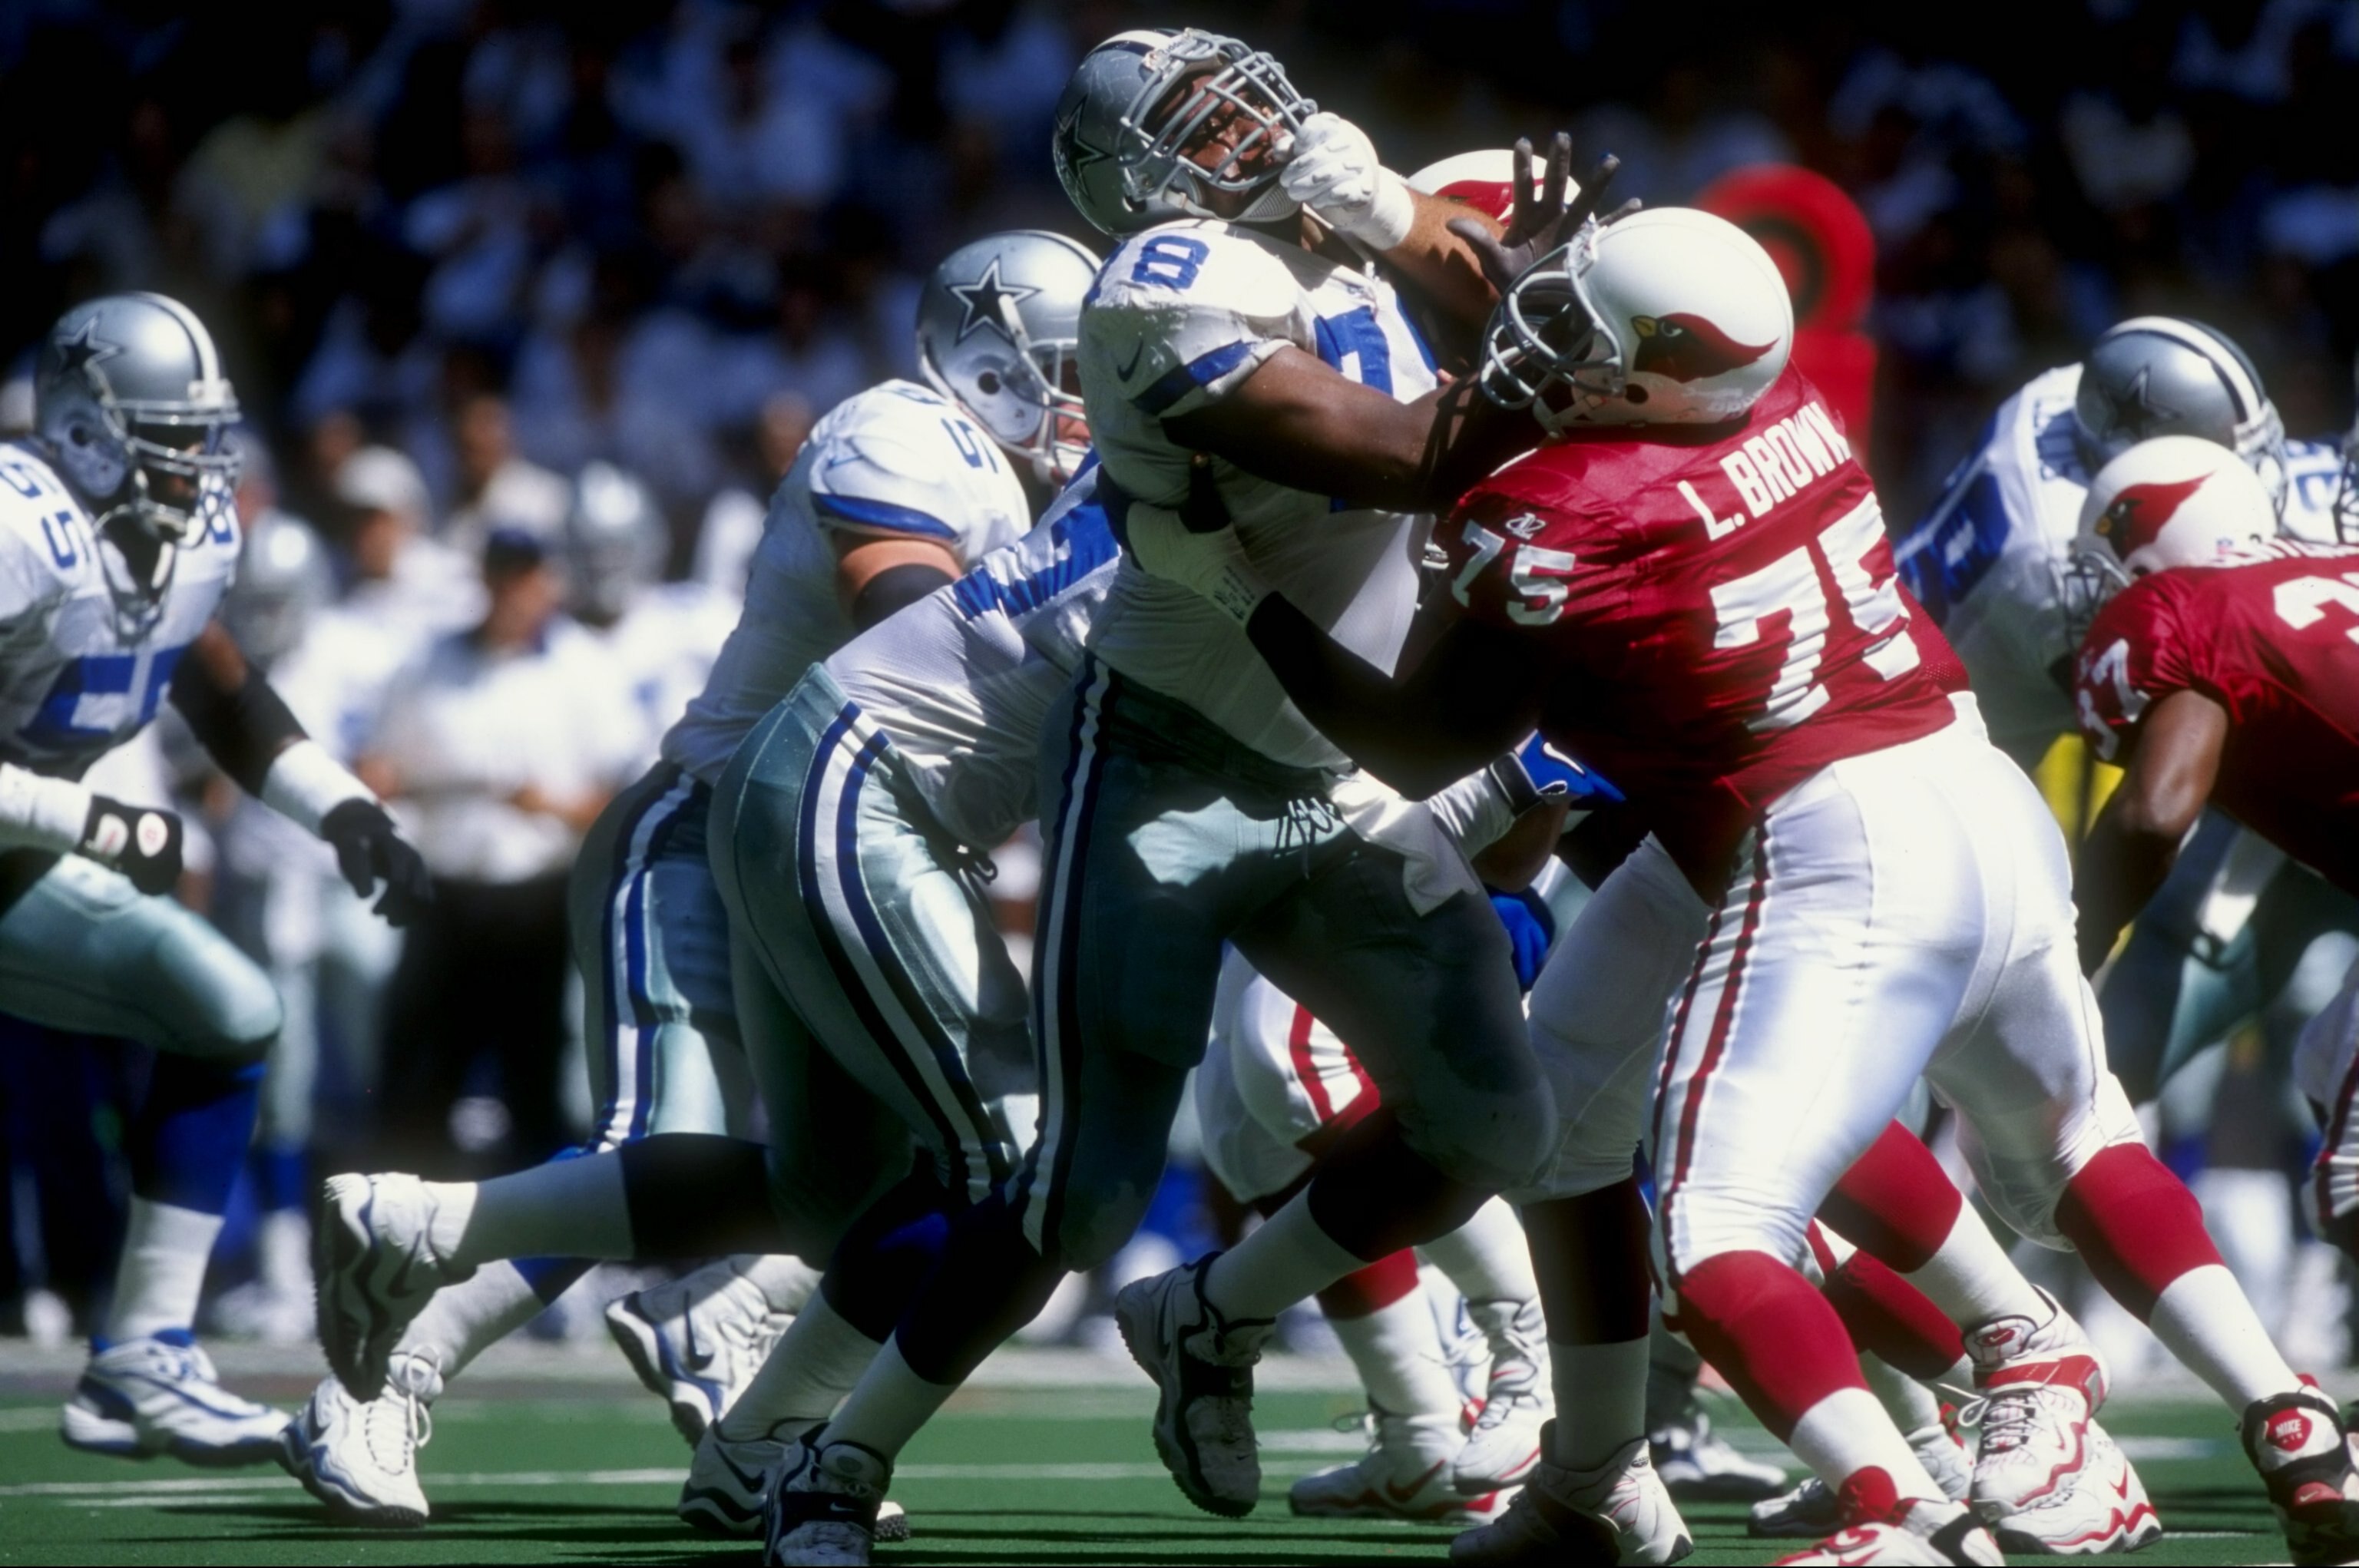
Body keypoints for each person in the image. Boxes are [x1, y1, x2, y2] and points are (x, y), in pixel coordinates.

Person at [1123, 199, 2358, 1564]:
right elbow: (1610, 414)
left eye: (1588, 330)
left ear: (1655, 374)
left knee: (1715, 1229)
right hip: (1938, 782)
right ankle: (1594, 1478)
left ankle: (1928, 1482)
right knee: (1589, 1122)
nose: (1549, 339)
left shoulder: (1550, 515)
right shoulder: (1789, 414)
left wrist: (1231, 592)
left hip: (1817, 833)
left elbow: (1422, 736)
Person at [754, 32, 1585, 1566]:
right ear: (1138, 173)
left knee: (1494, 1118)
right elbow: (1419, 452)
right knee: (1080, 1189)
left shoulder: (1338, 223)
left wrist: (1424, 231)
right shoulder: (1156, 289)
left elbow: (1526, 326)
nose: (1255, 124)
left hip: (1332, 771)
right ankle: (832, 1457)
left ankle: (1211, 1314)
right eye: (1201, 120)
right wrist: (1447, 250)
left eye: (1245, 90)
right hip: (1163, 771)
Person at [284, 230, 1097, 1530]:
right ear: (984, 360)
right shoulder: (901, 434)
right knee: (661, 1141)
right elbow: (915, 623)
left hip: (868, 859)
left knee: (854, 1197)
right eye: (1064, 366)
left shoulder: (1069, 492)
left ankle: (737, 1380)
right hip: (716, 830)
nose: (1084, 396)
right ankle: (392, 1344)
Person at [0, 293, 428, 1464]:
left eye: (203, 433)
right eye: (170, 434)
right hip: (28, 840)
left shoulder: (173, 537)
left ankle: (141, 1352)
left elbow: (225, 694)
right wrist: (83, 814)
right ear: (88, 429)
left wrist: (342, 809)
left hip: (14, 863)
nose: (199, 463)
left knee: (231, 1008)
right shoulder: (16, 521)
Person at [2064, 438, 2359, 1317]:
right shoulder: (2333, 565)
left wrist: (2064, 947)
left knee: (2349, 1179)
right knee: (2319, 1056)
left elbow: (2153, 815)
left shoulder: (2187, 606)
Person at [358, 527, 644, 1177]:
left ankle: (543, 1250)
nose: (513, 592)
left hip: (536, 898)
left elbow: (624, 796)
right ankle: (402, 1242)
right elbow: (379, 761)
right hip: (447, 893)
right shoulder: (430, 663)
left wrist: (554, 806)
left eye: (526, 576)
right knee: (421, 1074)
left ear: (549, 581)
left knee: (534, 1073)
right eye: (501, 575)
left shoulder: (584, 668)